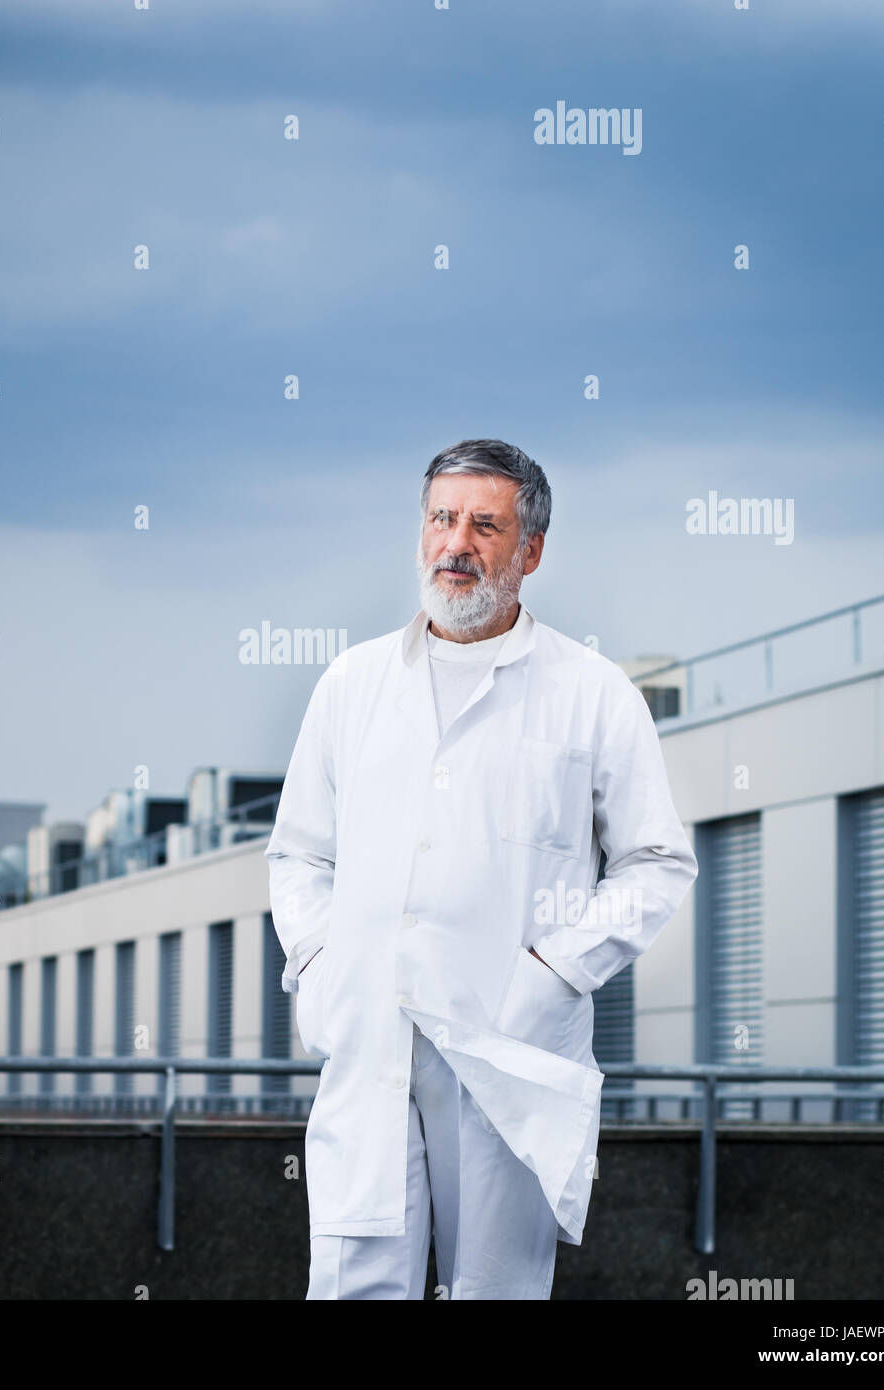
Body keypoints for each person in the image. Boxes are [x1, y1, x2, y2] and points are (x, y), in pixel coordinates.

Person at [264, 438, 698, 1300]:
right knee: (354, 1284)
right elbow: (299, 855)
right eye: (441, 519)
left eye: (485, 525)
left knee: (494, 1289)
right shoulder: (351, 686)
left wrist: (554, 972)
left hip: (508, 1044)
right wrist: (319, 966)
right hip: (372, 1038)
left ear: (529, 550)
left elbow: (656, 861)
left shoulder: (591, 690)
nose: (456, 543)